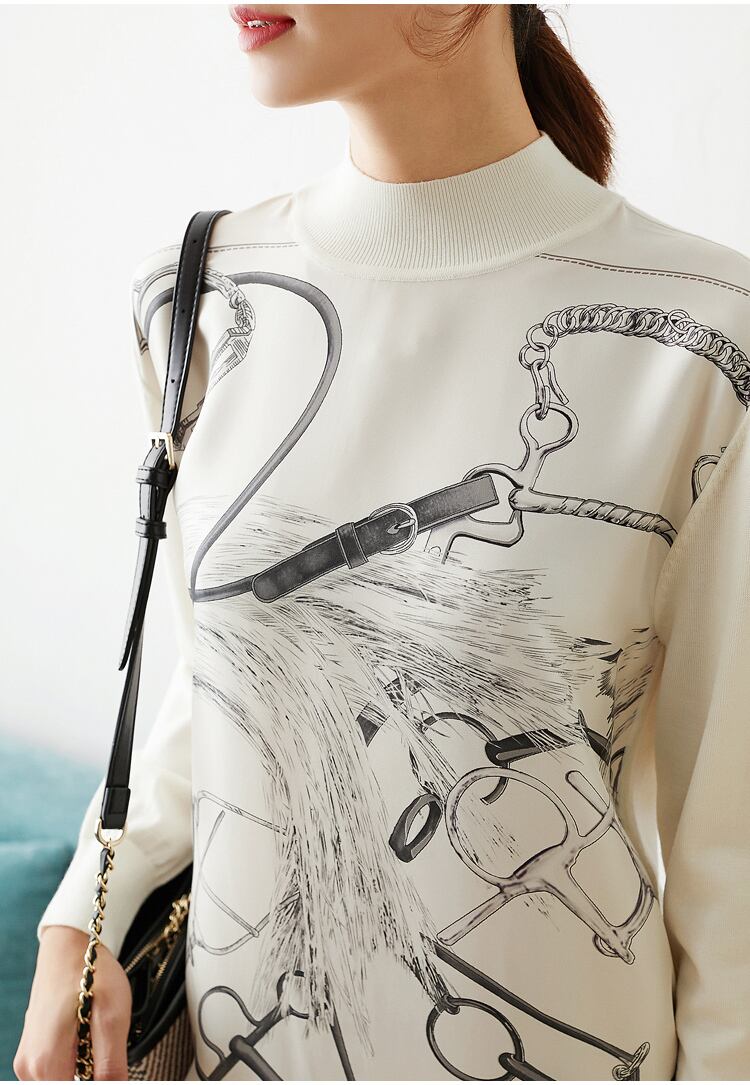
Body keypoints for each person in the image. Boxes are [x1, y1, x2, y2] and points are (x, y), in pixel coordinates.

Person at [15, 4, 750, 1080]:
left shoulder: (704, 339)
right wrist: (78, 921)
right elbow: (221, 676)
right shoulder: (201, 297)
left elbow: (733, 856)